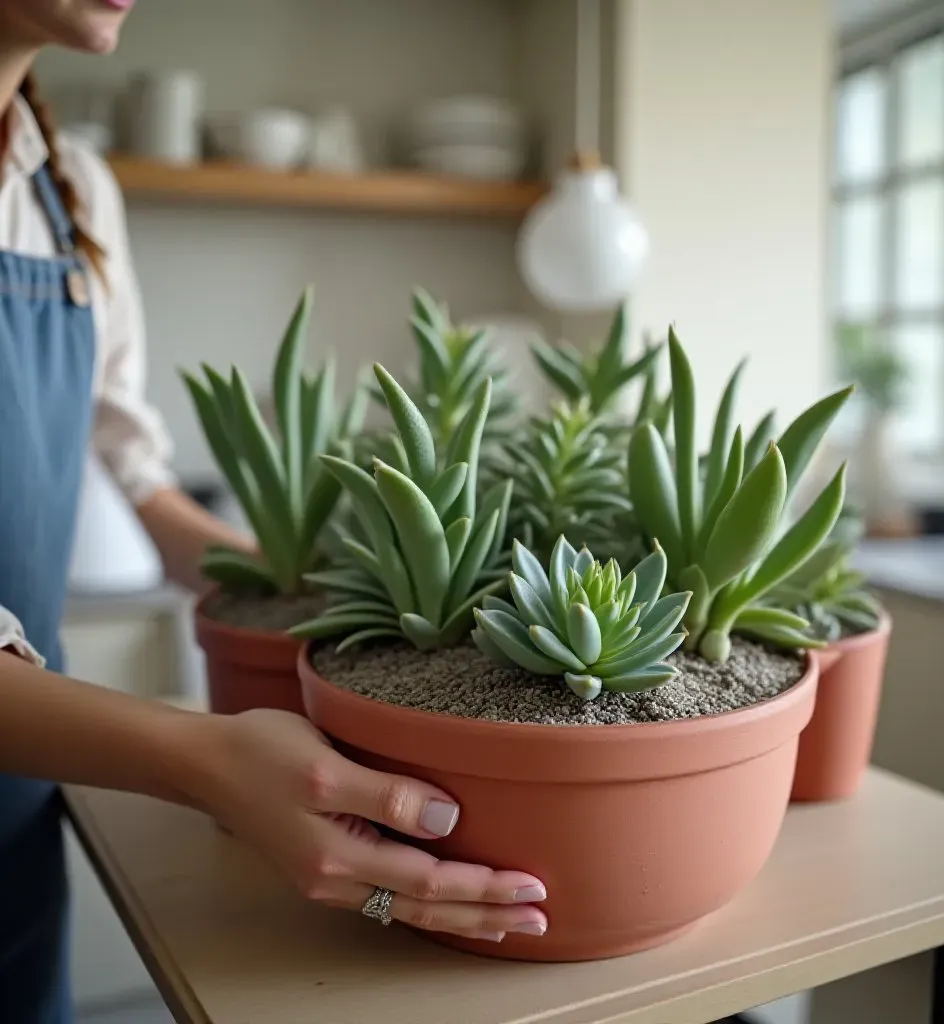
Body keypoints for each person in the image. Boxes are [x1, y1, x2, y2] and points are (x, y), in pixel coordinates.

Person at [0, 2, 548, 1020]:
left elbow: (132, 468)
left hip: (20, 795)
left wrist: (290, 588)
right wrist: (209, 765)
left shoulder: (71, 185)